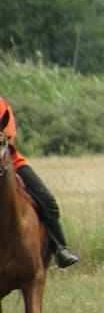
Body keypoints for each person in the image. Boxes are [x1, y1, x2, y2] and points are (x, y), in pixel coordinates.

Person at [0, 97, 80, 268]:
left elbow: (8, 135)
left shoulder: (1, 105)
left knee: (47, 201)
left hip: (10, 163)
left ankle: (60, 248)